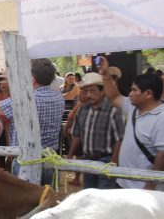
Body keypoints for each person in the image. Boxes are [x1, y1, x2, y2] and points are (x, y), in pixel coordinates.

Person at [0, 59, 65, 184]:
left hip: (27, 163)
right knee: (48, 201)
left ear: (32, 79)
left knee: (26, 203)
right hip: (50, 161)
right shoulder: (58, 97)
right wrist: (15, 79)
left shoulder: (27, 100)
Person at [98, 57, 164, 190]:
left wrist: (150, 184)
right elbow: (114, 97)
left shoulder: (161, 117)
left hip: (143, 189)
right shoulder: (133, 106)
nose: (130, 94)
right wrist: (105, 75)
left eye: (134, 90)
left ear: (148, 94)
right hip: (123, 182)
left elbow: (162, 155)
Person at [67, 73, 124, 189]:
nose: (89, 95)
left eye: (92, 91)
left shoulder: (112, 110)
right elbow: (77, 135)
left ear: (102, 91)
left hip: (106, 160)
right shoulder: (83, 109)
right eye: (86, 91)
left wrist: (113, 162)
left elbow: (120, 139)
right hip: (87, 160)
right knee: (90, 194)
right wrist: (70, 154)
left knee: (104, 198)